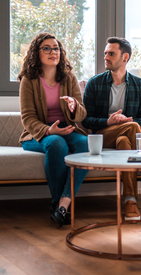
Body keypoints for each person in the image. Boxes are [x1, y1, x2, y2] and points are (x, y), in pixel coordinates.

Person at [82, 37, 141, 221]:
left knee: (124, 140)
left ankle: (130, 200)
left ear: (125, 57)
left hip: (125, 139)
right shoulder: (95, 84)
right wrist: (109, 122)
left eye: (111, 53)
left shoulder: (139, 85)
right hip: (104, 135)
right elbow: (86, 120)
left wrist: (126, 124)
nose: (106, 57)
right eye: (105, 53)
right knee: (132, 127)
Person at [18, 32, 89, 227]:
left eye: (56, 48)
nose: (52, 52)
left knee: (84, 143)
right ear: (36, 53)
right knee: (57, 144)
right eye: (46, 48)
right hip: (39, 134)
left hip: (67, 130)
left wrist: (74, 107)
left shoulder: (69, 78)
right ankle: (58, 205)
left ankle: (64, 202)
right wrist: (50, 131)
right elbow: (28, 118)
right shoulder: (29, 80)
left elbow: (82, 114)